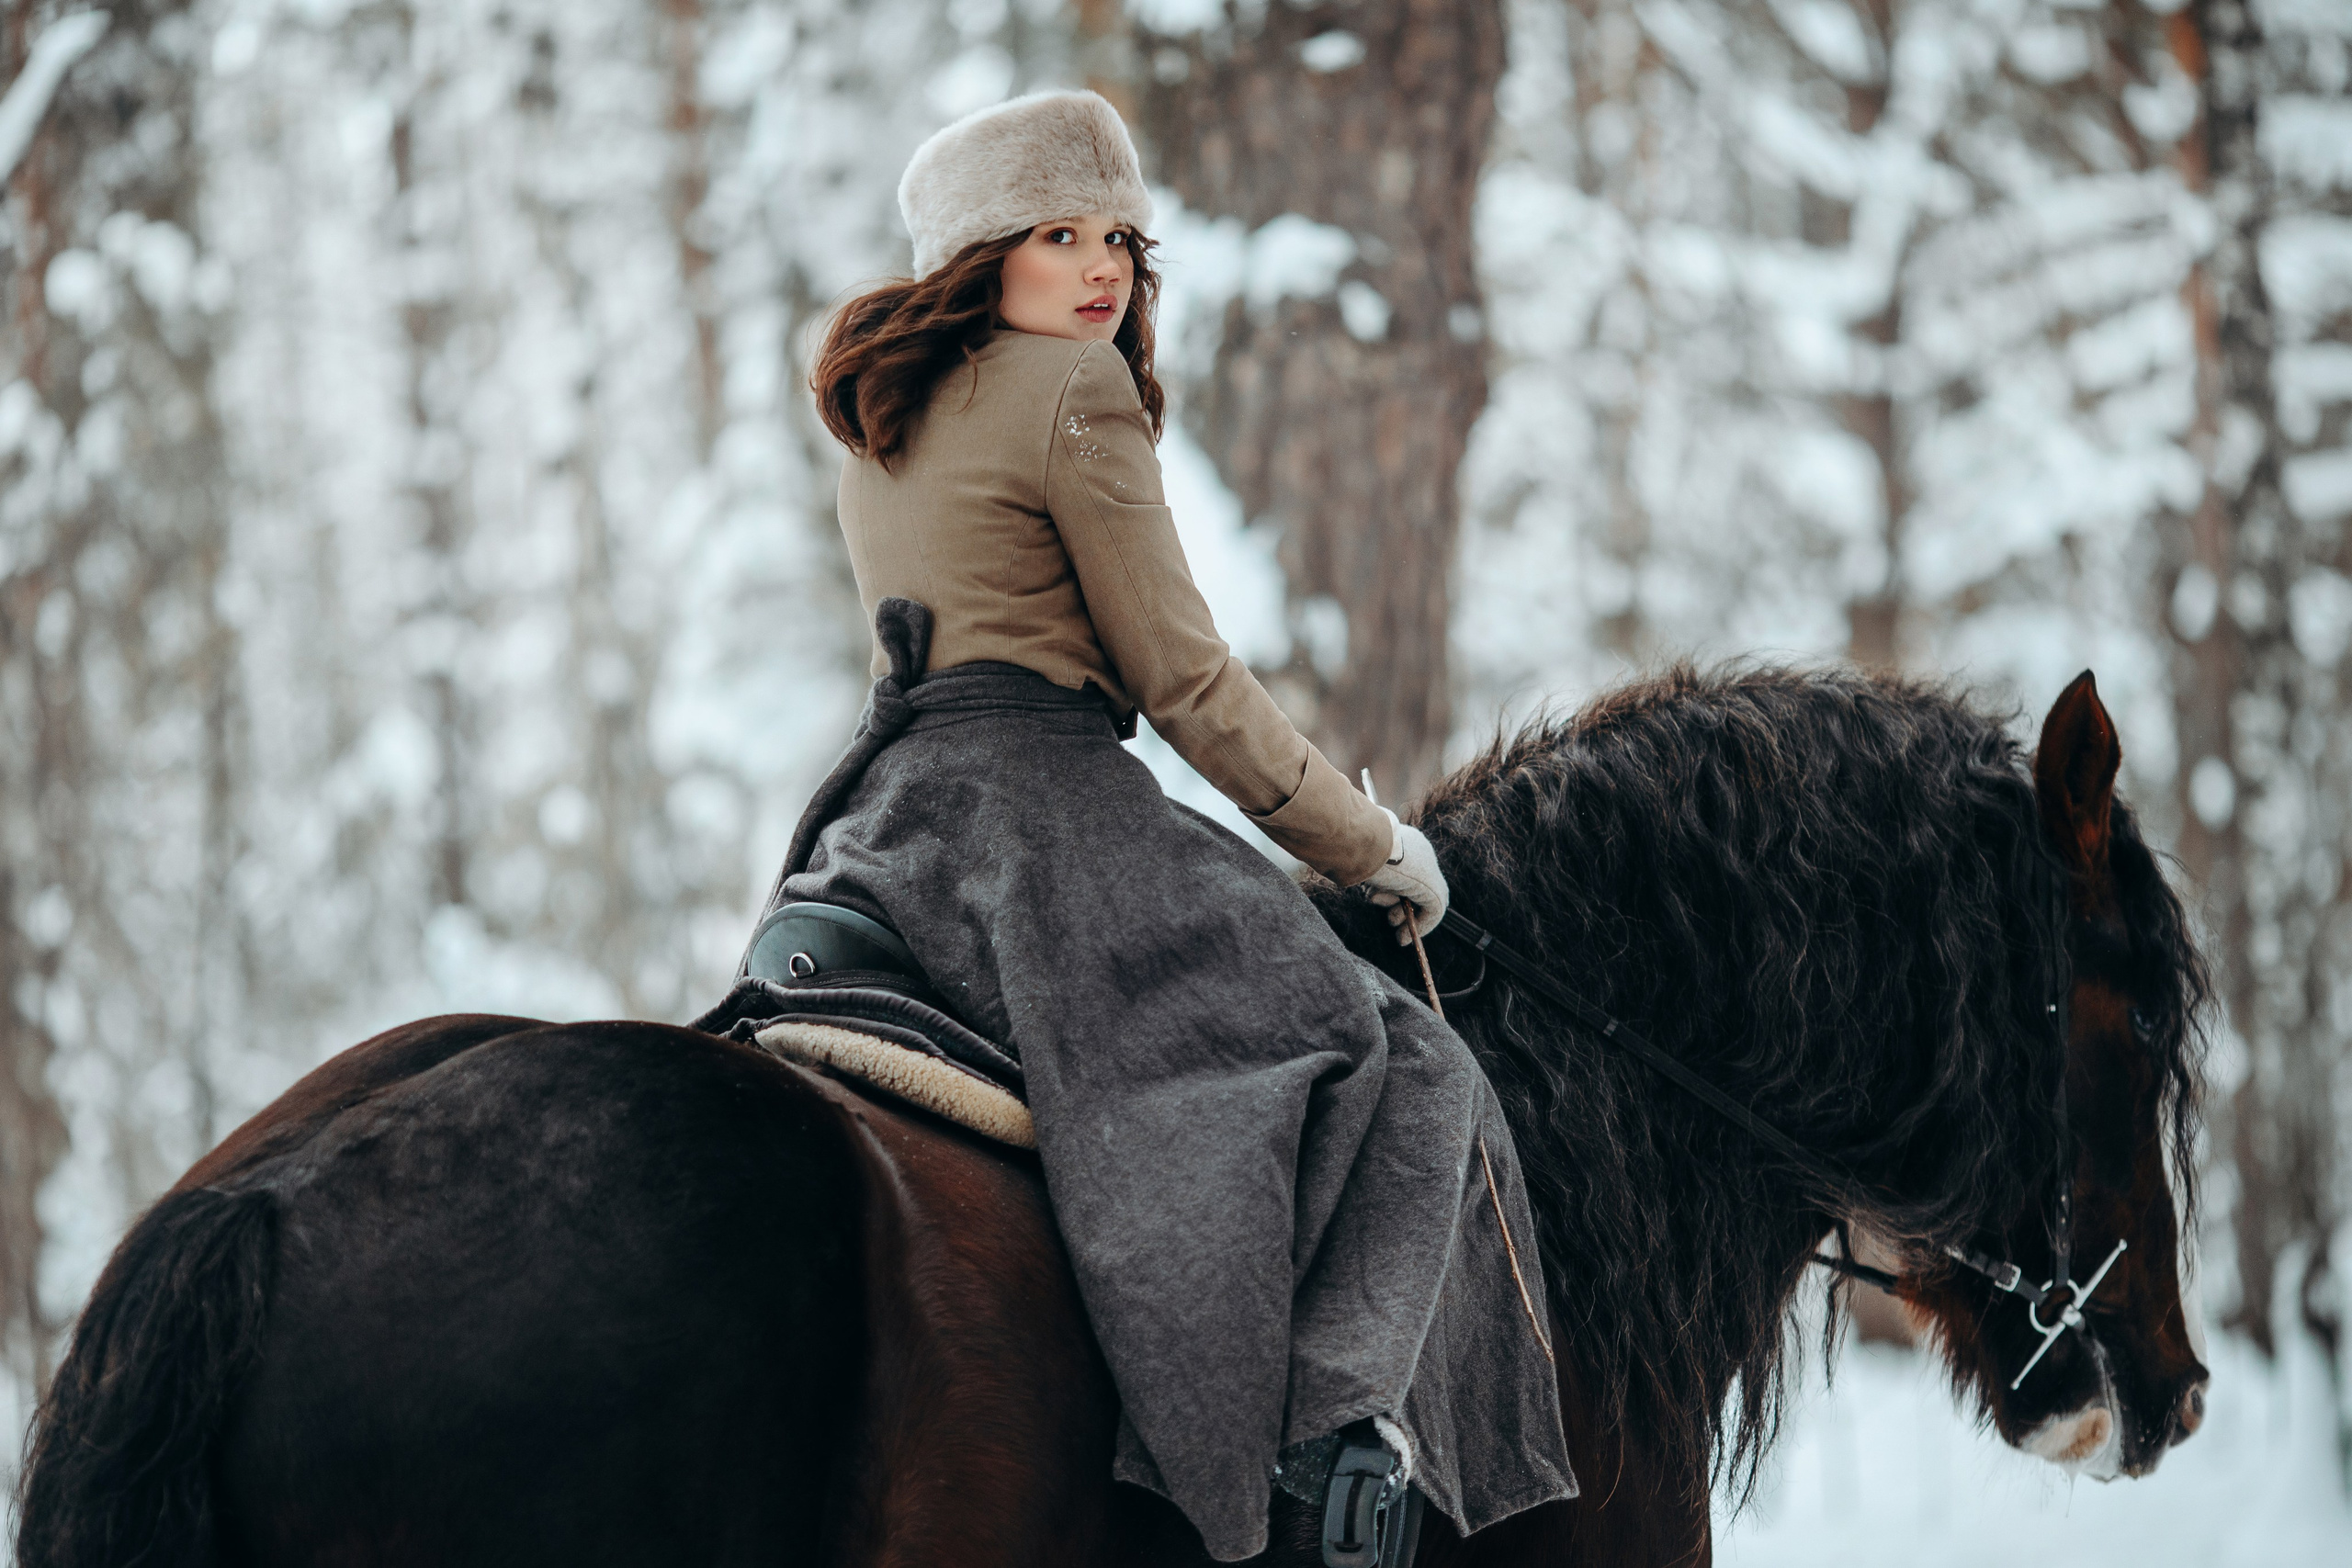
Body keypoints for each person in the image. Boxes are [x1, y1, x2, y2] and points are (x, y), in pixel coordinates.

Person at [760, 89, 1573, 1565]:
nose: (1100, 272)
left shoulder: (883, 422)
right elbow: (1186, 682)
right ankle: (1334, 1453)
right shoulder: (1077, 391)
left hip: (887, 823)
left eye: (1121, 239)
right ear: (977, 255)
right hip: (1050, 816)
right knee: (1411, 1059)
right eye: (1058, 234)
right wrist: (1374, 848)